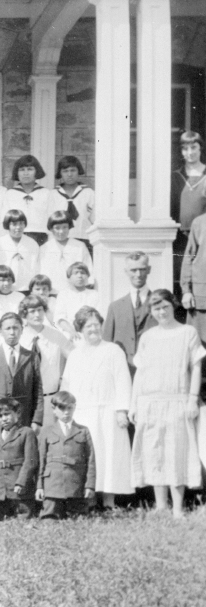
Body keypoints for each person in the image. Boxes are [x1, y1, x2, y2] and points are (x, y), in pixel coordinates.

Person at [129, 289, 204, 517]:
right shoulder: (147, 337)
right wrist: (134, 404)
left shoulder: (188, 332)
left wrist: (192, 399)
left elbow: (196, 368)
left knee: (176, 452)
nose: (161, 312)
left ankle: (178, 508)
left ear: (173, 306)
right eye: (156, 308)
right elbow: (140, 373)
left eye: (165, 307)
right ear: (151, 311)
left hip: (178, 400)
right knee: (154, 453)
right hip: (150, 401)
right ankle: (161, 506)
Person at [60, 307, 133, 510]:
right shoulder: (75, 355)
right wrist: (67, 412)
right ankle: (89, 501)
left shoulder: (113, 350)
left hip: (109, 412)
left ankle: (109, 501)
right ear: (80, 329)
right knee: (89, 457)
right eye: (88, 326)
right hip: (83, 413)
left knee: (110, 455)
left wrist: (122, 410)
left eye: (96, 324)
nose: (93, 329)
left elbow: (123, 381)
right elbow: (67, 385)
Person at [0, 312, 43, 434]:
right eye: (8, 328)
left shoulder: (31, 357)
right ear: (0, 331)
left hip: (22, 418)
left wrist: (37, 420)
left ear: (22, 330)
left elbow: (37, 391)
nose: (12, 332)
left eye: (15, 328)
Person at [36, 391, 96, 520]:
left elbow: (91, 460)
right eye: (62, 408)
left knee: (79, 520)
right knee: (49, 519)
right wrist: (39, 486)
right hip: (53, 485)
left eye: (70, 408)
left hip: (75, 486)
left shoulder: (83, 431)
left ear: (75, 407)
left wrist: (89, 485)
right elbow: (41, 460)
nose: (66, 412)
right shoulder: (47, 431)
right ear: (54, 409)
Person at [19, 295, 70, 427]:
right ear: (24, 314)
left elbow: (74, 358)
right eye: (32, 311)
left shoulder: (56, 335)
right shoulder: (19, 337)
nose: (37, 315)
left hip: (50, 399)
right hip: (25, 400)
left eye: (40, 310)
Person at [103, 251, 156, 375]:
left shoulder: (160, 304)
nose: (138, 274)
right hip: (123, 371)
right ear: (126, 271)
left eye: (142, 269)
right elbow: (106, 344)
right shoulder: (115, 307)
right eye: (133, 270)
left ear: (149, 269)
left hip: (153, 368)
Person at [0, 397, 38, 520]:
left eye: (7, 414)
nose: (4, 419)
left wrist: (21, 482)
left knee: (23, 519)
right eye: (0, 416)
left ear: (18, 413)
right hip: (0, 492)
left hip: (20, 490)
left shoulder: (26, 433)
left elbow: (30, 461)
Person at [170, 131, 206, 290]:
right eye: (185, 148)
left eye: (193, 147)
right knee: (181, 278)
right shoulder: (175, 176)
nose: (190, 152)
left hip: (202, 236)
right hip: (180, 237)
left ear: (200, 148)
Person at [39, 210, 93, 294]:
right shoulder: (44, 248)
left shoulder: (79, 246)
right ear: (51, 229)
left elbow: (88, 267)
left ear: (69, 227)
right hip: (52, 292)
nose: (61, 231)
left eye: (65, 227)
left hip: (75, 292)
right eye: (57, 228)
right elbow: (41, 272)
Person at [3, 155, 51, 242]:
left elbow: (51, 219)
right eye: (22, 170)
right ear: (17, 173)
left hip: (41, 236)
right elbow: (6, 220)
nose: (26, 173)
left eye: (30, 169)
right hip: (17, 236)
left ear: (37, 171)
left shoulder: (46, 193)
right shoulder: (10, 194)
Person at [0, 210, 39, 291]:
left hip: (26, 288)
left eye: (21, 223)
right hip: (5, 288)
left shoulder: (32, 243)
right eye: (14, 224)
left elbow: (35, 267)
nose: (18, 227)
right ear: (8, 225)